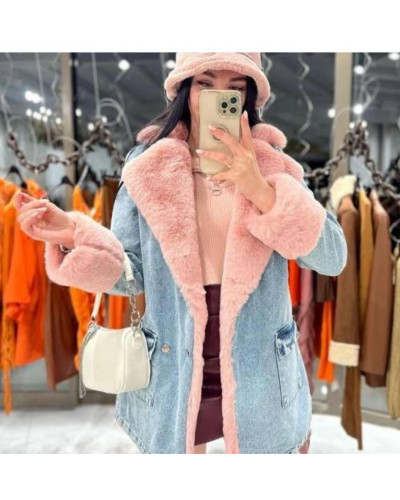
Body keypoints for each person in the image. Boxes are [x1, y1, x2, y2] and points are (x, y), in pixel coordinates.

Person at [15, 52, 347, 454]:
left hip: (259, 363)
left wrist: (259, 188)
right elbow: (130, 274)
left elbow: (333, 258)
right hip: (175, 359)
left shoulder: (274, 167)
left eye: (235, 88)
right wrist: (75, 234)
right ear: (184, 88)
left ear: (249, 97)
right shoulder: (148, 167)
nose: (218, 96)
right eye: (205, 83)